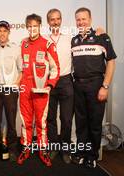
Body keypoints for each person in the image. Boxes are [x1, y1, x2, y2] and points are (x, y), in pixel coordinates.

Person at [71, 7, 116, 168]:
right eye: (78, 19)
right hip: (78, 85)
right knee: (81, 123)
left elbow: (111, 61)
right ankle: (81, 152)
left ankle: (92, 155)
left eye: (84, 19)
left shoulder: (101, 37)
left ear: (90, 19)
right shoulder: (74, 40)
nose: (81, 22)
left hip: (96, 85)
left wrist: (105, 86)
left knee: (95, 124)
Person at [17, 14, 60, 167]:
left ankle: (43, 149)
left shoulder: (47, 44)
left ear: (40, 26)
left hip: (41, 90)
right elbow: (19, 67)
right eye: (29, 26)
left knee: (42, 123)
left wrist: (50, 85)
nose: (32, 29)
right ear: (27, 27)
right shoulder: (23, 43)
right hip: (25, 89)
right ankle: (26, 148)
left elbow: (55, 68)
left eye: (35, 26)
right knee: (26, 122)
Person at [0, 20, 22, 162]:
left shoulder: (15, 48)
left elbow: (21, 70)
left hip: (11, 89)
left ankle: (13, 149)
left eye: (5, 31)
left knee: (10, 120)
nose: (2, 33)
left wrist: (15, 84)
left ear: (9, 32)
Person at [45, 9, 74, 164]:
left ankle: (66, 149)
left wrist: (99, 32)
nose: (55, 22)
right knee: (50, 118)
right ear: (48, 22)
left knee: (67, 118)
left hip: (66, 81)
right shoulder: (44, 40)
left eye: (57, 19)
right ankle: (54, 147)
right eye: (52, 19)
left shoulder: (70, 39)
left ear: (61, 20)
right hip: (49, 82)